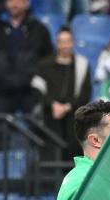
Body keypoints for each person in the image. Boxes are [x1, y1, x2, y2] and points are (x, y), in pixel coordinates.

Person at [0, 0, 53, 114]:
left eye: (19, 0)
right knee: (2, 131)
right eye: (11, 0)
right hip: (4, 89)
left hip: (30, 89)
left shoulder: (39, 29)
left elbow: (48, 58)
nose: (15, 4)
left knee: (34, 131)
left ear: (27, 3)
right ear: (6, 3)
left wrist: (33, 78)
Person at [32, 28, 92, 160]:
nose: (65, 45)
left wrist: (66, 107)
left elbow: (85, 93)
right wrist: (52, 104)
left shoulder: (82, 64)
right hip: (50, 119)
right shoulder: (44, 65)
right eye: (61, 42)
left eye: (68, 41)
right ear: (56, 43)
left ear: (73, 43)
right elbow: (37, 88)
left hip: (73, 121)